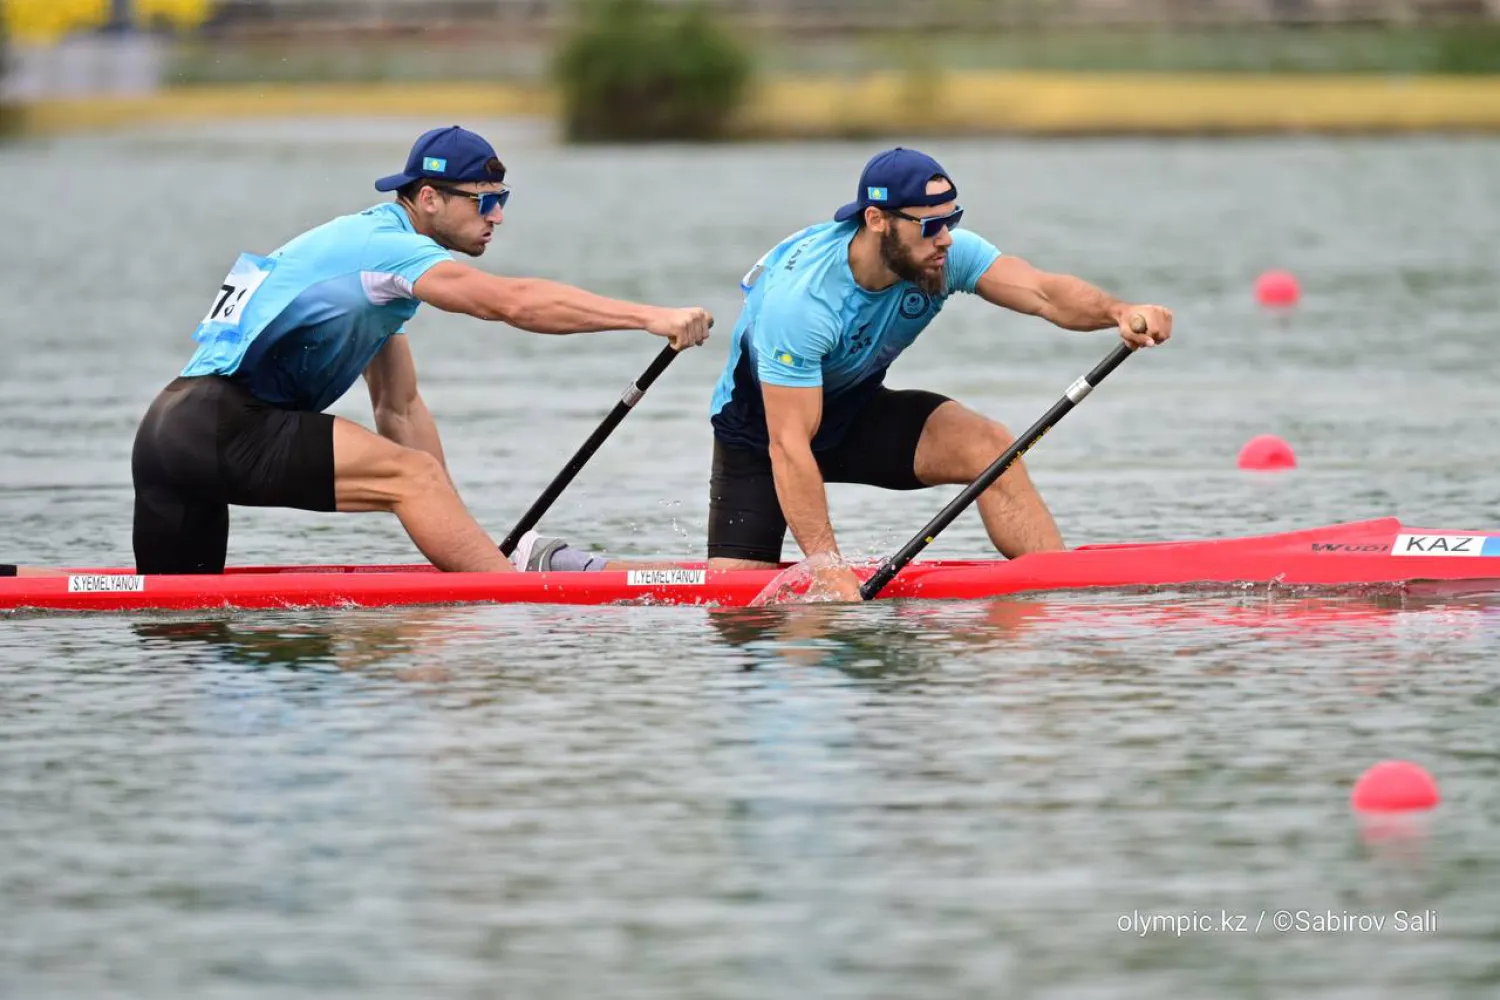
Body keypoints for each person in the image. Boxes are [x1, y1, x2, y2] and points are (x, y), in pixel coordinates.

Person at [130, 125, 711, 576]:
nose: (498, 215)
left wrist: (460, 534)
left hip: (166, 438)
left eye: (502, 198)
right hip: (222, 424)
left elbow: (399, 408)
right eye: (483, 200)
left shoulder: (369, 268)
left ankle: (488, 578)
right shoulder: (386, 248)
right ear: (429, 197)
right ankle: (512, 602)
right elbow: (510, 303)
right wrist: (649, 316)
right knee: (411, 478)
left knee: (179, 632)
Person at [700, 146, 1173, 601]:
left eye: (952, 220)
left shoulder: (942, 255)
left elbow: (1044, 293)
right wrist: (828, 570)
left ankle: (1063, 592)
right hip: (762, 437)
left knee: (986, 445)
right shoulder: (802, 305)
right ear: (876, 220)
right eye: (930, 225)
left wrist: (1119, 310)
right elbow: (788, 446)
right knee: (739, 607)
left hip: (854, 411)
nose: (946, 237)